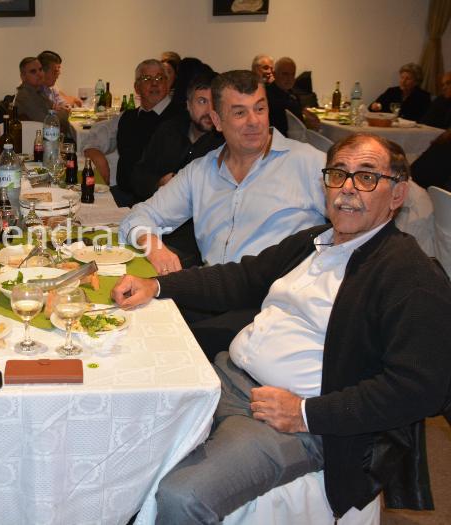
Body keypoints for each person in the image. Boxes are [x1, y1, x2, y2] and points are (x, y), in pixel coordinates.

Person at [111, 132, 451, 523]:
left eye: (367, 177)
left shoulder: (409, 274)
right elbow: (242, 278)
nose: (348, 188)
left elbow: (421, 387)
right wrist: (157, 286)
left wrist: (306, 413)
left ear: (397, 194)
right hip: (225, 378)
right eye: (338, 174)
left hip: (285, 421)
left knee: (182, 497)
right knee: (124, 435)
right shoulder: (315, 241)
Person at [120, 69, 326, 273]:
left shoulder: (308, 162)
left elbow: (346, 226)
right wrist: (154, 247)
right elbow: (140, 216)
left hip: (281, 289)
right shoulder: (200, 172)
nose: (254, 121)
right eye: (240, 113)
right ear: (217, 121)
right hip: (214, 287)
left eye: (260, 109)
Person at [125, 73, 225, 268]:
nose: (209, 110)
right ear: (188, 105)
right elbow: (137, 175)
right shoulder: (169, 130)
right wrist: (158, 183)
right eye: (202, 101)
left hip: (191, 244)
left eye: (214, 103)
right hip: (150, 224)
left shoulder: (223, 146)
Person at [85, 59, 185, 206]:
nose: (154, 83)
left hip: (159, 202)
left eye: (159, 78)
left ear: (168, 83)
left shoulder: (181, 118)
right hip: (123, 195)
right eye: (147, 79)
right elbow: (98, 135)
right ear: (136, 87)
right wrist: (95, 152)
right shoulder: (128, 117)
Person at [15, 56, 71, 136]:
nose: (39, 74)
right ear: (23, 77)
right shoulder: (25, 96)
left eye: (40, 69)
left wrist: (56, 113)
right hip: (37, 140)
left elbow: (55, 108)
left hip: (48, 137)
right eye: (33, 71)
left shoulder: (38, 91)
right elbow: (47, 123)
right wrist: (63, 113)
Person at [266, 56, 320, 136]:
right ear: (274, 74)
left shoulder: (292, 93)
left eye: (292, 74)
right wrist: (308, 125)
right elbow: (284, 127)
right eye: (285, 74)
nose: (290, 78)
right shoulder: (268, 96)